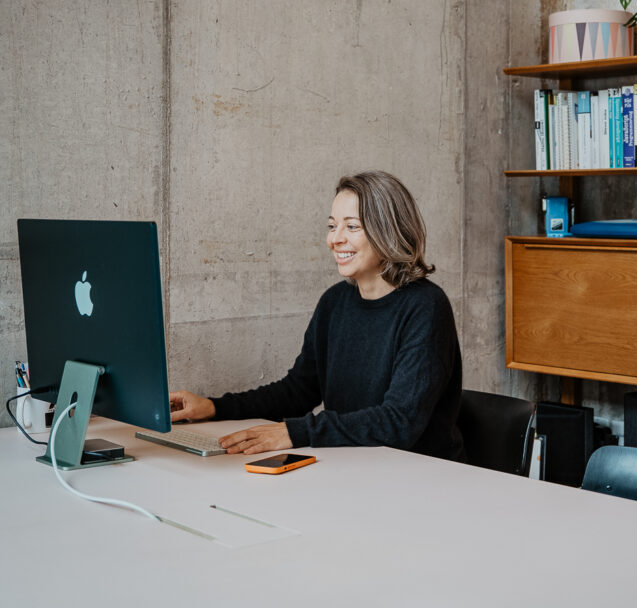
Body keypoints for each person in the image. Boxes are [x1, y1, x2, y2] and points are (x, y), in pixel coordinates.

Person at [170, 170, 464, 461]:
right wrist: (214, 407)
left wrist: (294, 433)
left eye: (352, 227)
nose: (334, 239)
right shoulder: (334, 302)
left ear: (388, 231)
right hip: (352, 465)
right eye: (332, 225)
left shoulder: (426, 306)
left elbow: (399, 422)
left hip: (417, 476)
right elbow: (298, 392)